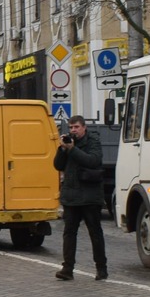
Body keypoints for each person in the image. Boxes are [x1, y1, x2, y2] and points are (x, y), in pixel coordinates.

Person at [53, 116, 108, 282]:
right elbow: (57, 165)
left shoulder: (93, 141)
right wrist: (62, 149)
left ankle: (101, 268)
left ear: (84, 127)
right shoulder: (68, 143)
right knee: (69, 233)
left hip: (90, 195)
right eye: (71, 127)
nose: (73, 130)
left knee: (95, 233)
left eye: (76, 127)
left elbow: (93, 161)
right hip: (71, 195)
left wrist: (72, 149)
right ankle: (67, 268)